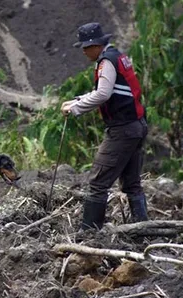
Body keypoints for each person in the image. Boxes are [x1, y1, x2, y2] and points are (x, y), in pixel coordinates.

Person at [61, 22, 148, 230]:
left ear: (96, 45)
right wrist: (76, 100)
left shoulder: (106, 62)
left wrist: (76, 109)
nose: (83, 50)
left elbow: (103, 94)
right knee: (132, 183)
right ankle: (144, 228)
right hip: (136, 125)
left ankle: (89, 231)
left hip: (122, 129)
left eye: (85, 46)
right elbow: (110, 89)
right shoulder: (117, 57)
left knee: (98, 183)